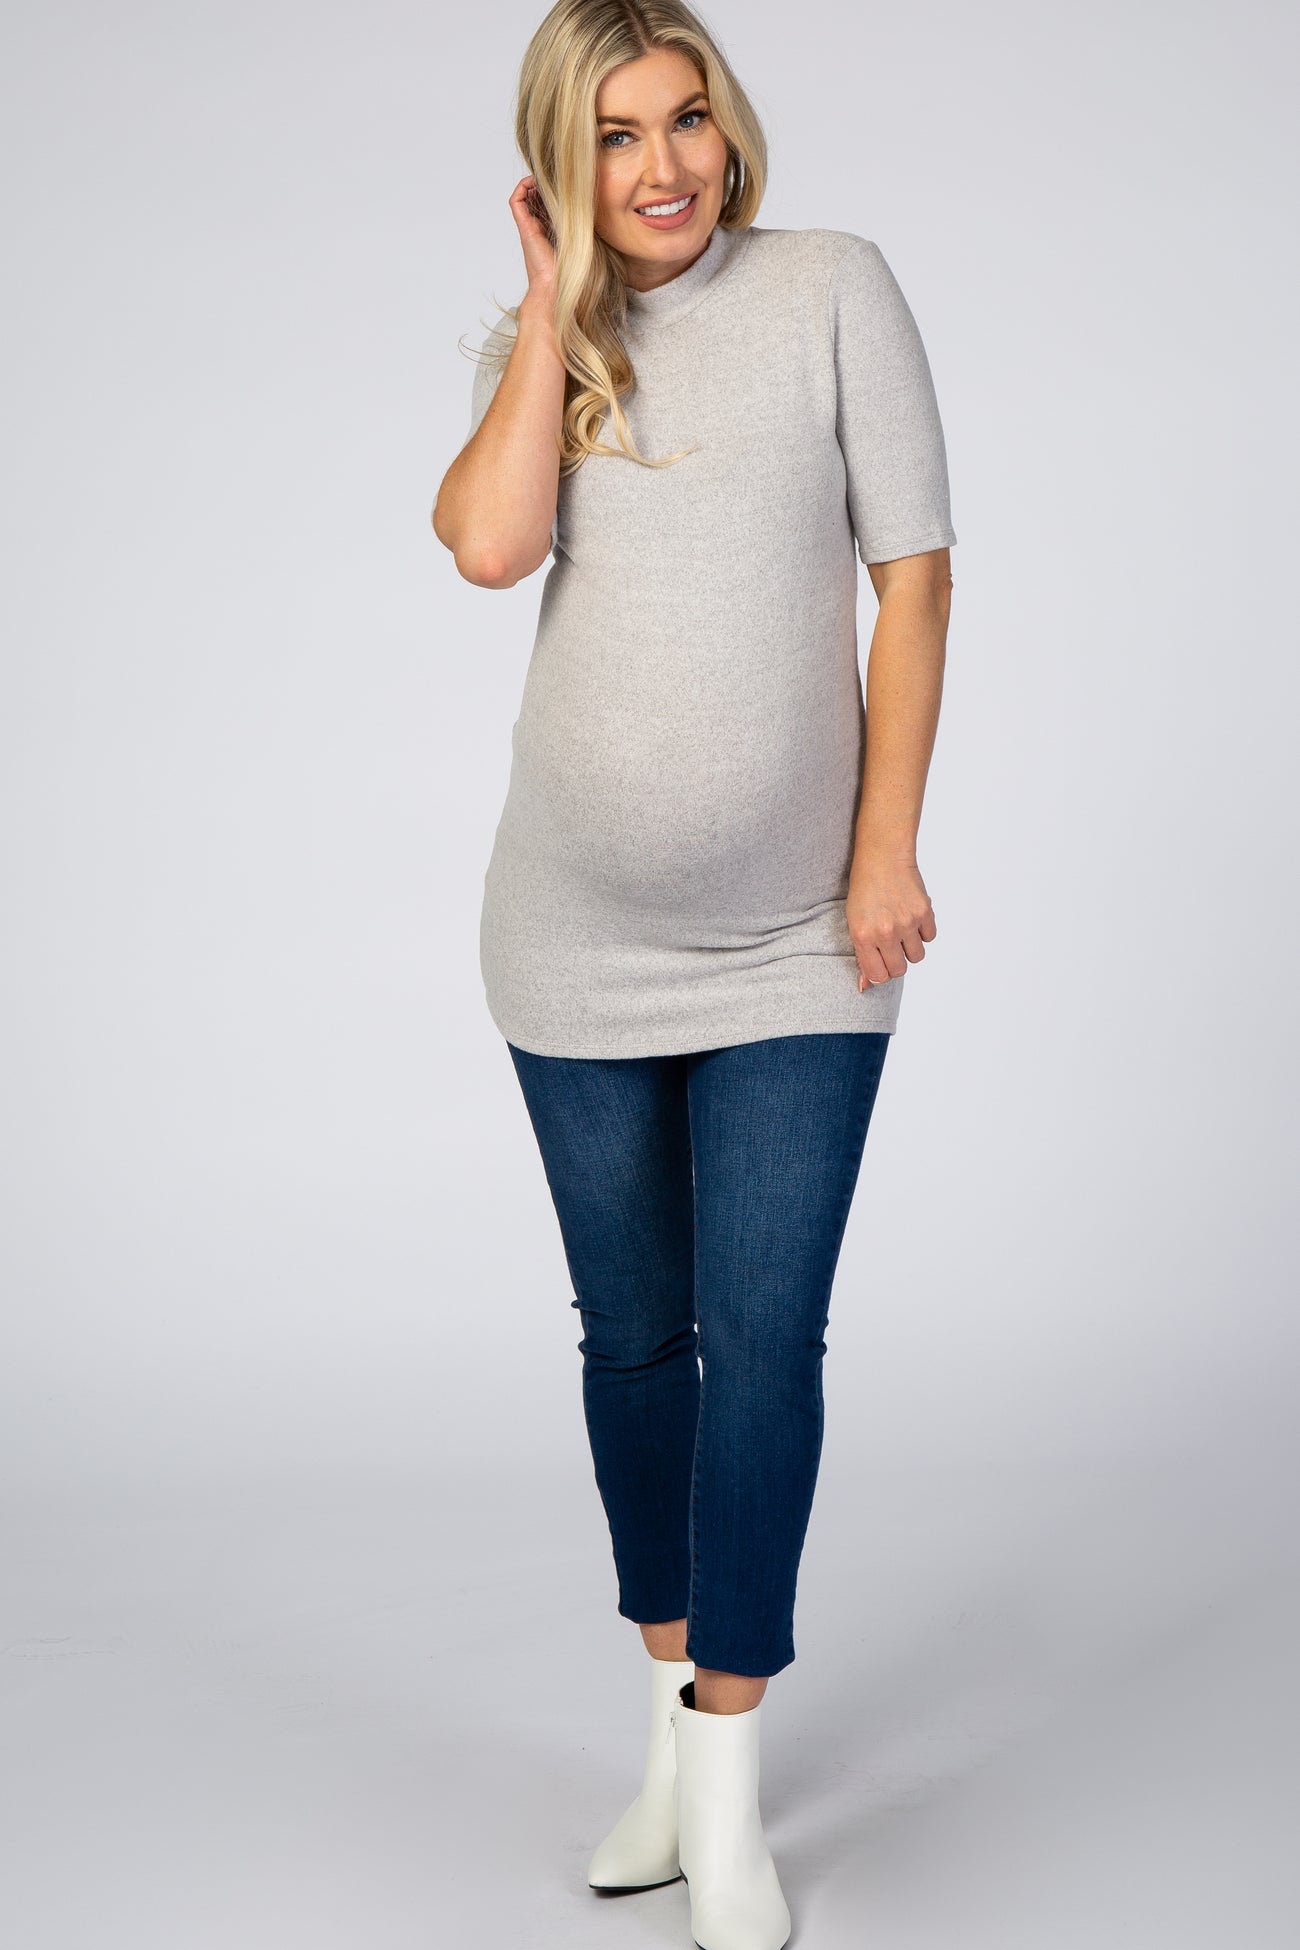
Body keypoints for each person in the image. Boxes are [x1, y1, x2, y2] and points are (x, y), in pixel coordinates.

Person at [432, 3, 956, 1944]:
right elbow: (489, 550)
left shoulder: (830, 288)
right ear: (560, 169)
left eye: (686, 120)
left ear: (728, 129)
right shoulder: (551, 347)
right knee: (632, 1340)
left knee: (766, 1338)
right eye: (615, 136)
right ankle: (665, 1724)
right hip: (570, 937)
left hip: (799, 937)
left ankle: (725, 1780)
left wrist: (880, 847)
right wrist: (549, 307)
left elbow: (913, 573)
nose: (662, 165)